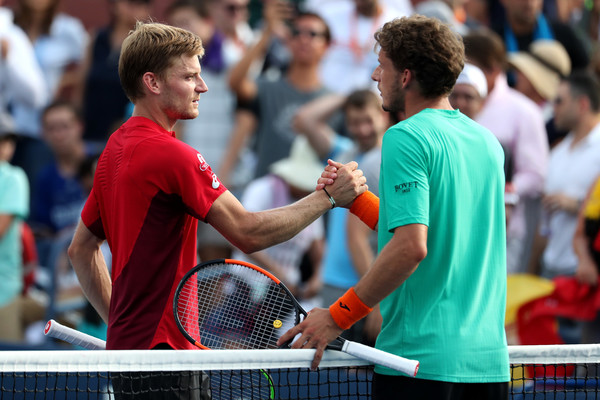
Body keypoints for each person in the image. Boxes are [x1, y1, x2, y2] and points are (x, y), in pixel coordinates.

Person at [67, 21, 365, 353]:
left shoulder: (113, 148)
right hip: (169, 356)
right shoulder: (174, 156)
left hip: (130, 353)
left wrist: (122, 327)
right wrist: (327, 198)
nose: (203, 87)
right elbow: (248, 232)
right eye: (189, 77)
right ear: (151, 82)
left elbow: (80, 250)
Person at [278, 15, 510, 399]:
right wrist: (357, 202)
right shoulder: (487, 142)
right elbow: (434, 233)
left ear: (405, 77)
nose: (374, 76)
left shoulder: (405, 137)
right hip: (488, 369)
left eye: (381, 66)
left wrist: (337, 317)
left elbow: (411, 246)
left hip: (418, 367)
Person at [293, 88, 391, 345]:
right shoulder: (345, 154)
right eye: (354, 122)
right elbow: (305, 119)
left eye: (368, 120)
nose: (362, 129)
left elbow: (362, 237)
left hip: (364, 288)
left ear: (383, 116)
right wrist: (348, 94)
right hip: (333, 281)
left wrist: (377, 297)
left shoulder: (386, 162)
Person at [463, 28, 549, 273]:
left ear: (492, 69)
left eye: (469, 65)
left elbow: (536, 174)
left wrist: (503, 190)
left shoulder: (523, 111)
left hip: (505, 232)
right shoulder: (451, 103)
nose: (462, 73)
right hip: (458, 228)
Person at [528, 71, 600, 344]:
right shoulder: (557, 153)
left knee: (589, 371)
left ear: (582, 104)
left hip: (589, 275)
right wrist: (535, 270)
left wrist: (575, 204)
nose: (552, 106)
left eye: (559, 101)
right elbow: (544, 227)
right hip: (552, 272)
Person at [227, 4, 332, 180]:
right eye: (297, 33)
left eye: (313, 34)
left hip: (316, 200)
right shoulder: (268, 87)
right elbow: (235, 82)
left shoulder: (332, 100)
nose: (303, 39)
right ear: (288, 41)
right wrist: (267, 30)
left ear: (327, 45)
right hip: (264, 199)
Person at [231, 136, 326, 310]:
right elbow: (242, 237)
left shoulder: (312, 200)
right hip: (245, 285)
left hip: (285, 294)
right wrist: (278, 274)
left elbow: (317, 246)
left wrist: (317, 277)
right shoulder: (261, 190)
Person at [0, 116, 30, 342]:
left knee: (10, 373)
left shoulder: (12, 178)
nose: (4, 146)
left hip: (4, 293)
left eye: (8, 140)